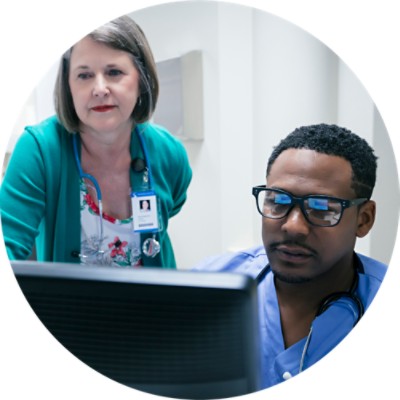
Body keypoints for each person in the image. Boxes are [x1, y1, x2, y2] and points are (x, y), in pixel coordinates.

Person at [193, 124, 387, 389]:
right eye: (278, 201)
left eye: (322, 208)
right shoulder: (206, 286)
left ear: (363, 220)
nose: (293, 226)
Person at [0, 16, 192, 268]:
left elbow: (173, 205)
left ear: (141, 80)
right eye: (84, 75)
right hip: (67, 307)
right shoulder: (39, 150)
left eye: (114, 72)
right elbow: (8, 246)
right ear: (68, 87)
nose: (99, 88)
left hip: (152, 306)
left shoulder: (170, 153)